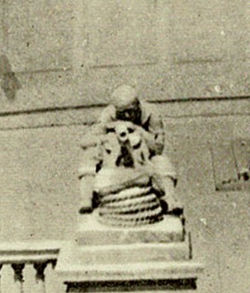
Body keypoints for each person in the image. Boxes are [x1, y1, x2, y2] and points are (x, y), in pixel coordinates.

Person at [78, 83, 182, 215]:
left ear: (138, 105)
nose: (127, 116)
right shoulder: (109, 114)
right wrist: (106, 136)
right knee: (89, 155)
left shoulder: (151, 113)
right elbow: (84, 141)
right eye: (122, 113)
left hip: (144, 157)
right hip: (116, 157)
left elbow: (158, 147)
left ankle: (170, 199)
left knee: (161, 161)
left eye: (131, 111)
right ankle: (86, 199)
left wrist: (137, 129)